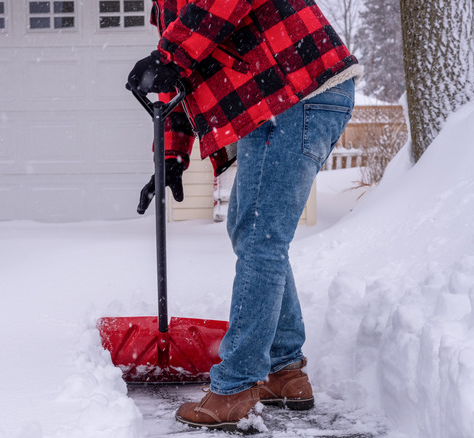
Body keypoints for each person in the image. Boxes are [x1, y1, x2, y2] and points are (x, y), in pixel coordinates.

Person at [127, 0, 363, 432]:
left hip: (299, 86)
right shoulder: (167, 8)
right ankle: (283, 371)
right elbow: (179, 78)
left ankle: (236, 387)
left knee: (261, 238)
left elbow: (191, 41)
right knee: (251, 231)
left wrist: (169, 56)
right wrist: (171, 156)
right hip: (274, 98)